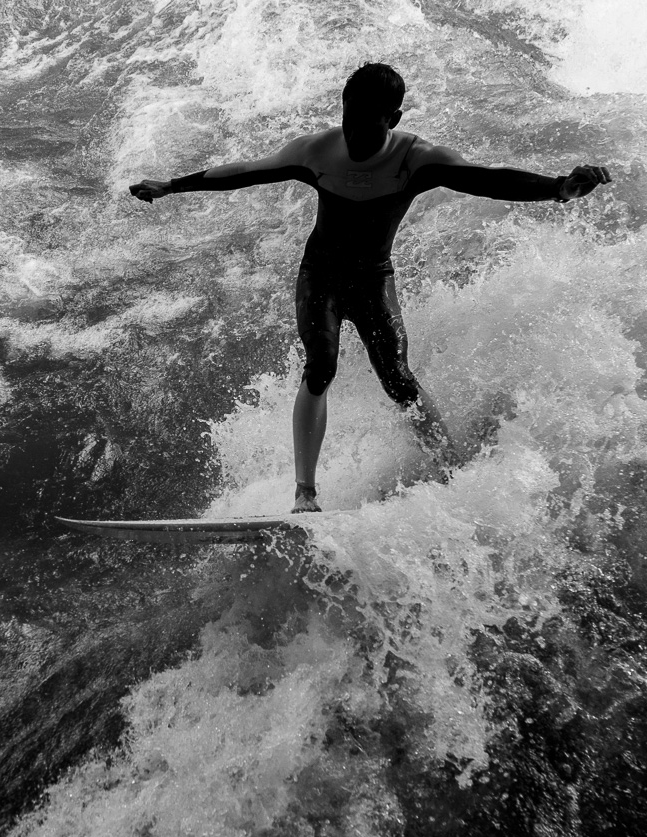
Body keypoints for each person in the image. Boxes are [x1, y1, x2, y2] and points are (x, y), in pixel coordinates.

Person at [129, 62, 611, 513]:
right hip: (321, 276)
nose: (356, 133)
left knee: (399, 381)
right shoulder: (317, 152)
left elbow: (489, 180)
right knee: (320, 366)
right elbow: (246, 172)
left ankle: (448, 468)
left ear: (394, 117)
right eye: (349, 117)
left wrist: (558, 188)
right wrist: (173, 185)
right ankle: (305, 494)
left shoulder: (418, 160)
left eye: (369, 122)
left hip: (373, 280)